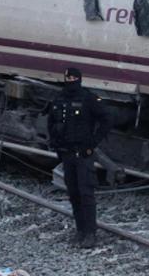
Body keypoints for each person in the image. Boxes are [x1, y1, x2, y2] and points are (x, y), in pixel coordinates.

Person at [47, 67, 112, 249]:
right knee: (74, 194)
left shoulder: (89, 99)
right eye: (68, 77)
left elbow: (107, 119)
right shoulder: (59, 99)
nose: (71, 81)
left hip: (83, 154)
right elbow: (51, 122)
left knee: (86, 194)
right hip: (67, 153)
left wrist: (93, 143)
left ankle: (90, 233)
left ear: (80, 79)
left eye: (74, 77)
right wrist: (55, 143)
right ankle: (80, 231)